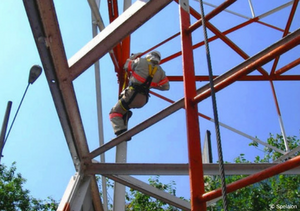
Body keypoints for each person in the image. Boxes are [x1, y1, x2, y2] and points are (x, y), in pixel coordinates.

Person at [109, 50, 170, 136]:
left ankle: (120, 131)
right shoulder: (161, 72)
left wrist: (133, 58)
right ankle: (125, 116)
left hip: (131, 94)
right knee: (124, 107)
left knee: (114, 112)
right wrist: (152, 85)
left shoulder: (140, 61)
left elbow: (126, 66)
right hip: (143, 100)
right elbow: (166, 87)